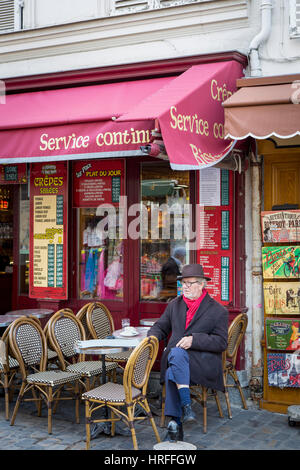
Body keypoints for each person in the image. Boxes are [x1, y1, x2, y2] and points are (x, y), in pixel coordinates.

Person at [148, 263, 228, 442]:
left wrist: (194, 340)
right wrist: (152, 338)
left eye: (190, 283)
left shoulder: (218, 311)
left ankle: (175, 421)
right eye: (183, 283)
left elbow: (222, 342)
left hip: (201, 363)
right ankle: (184, 410)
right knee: (175, 358)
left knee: (172, 367)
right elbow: (160, 327)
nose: (185, 287)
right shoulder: (174, 305)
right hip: (179, 362)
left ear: (201, 284)